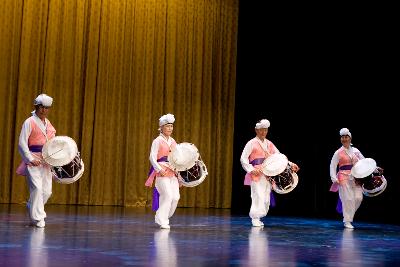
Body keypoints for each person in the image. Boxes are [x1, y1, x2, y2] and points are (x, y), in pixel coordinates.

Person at [240, 119, 299, 227]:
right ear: (256, 130)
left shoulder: (269, 144)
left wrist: (290, 164)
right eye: (261, 130)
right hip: (257, 173)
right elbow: (243, 159)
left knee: (266, 196)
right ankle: (255, 217)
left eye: (265, 130)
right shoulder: (251, 143)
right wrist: (251, 169)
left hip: (268, 173)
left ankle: (259, 216)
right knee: (258, 195)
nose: (263, 132)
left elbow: (279, 157)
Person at [16, 93, 56, 228]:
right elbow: (22, 143)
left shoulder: (48, 123)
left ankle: (32, 205)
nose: (44, 110)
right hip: (33, 159)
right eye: (41, 107)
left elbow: (52, 141)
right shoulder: (29, 122)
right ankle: (38, 218)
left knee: (47, 191)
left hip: (45, 161)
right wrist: (30, 158)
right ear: (37, 107)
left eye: (47, 108)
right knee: (37, 189)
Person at [329, 127, 375, 229]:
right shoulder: (338, 152)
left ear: (350, 138)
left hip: (356, 177)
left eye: (346, 137)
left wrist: (374, 168)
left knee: (358, 198)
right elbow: (332, 166)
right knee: (348, 199)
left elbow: (364, 162)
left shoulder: (356, 151)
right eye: (342, 137)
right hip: (343, 178)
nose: (344, 139)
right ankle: (347, 221)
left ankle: (348, 213)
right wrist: (334, 178)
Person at [145, 114, 180, 229]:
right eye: (168, 126)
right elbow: (152, 157)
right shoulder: (157, 141)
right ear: (162, 128)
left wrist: (179, 174)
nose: (170, 128)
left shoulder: (173, 141)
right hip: (162, 172)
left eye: (171, 126)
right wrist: (159, 169)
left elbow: (177, 157)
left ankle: (163, 216)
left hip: (172, 171)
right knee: (168, 195)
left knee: (175, 197)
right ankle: (162, 219)